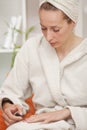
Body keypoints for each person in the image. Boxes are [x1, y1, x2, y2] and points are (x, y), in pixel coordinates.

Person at [0, 0, 87, 130]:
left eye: (55, 29)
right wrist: (9, 105)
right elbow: (11, 91)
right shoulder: (32, 48)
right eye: (43, 28)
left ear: (73, 23)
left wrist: (68, 112)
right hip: (40, 124)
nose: (48, 36)